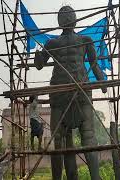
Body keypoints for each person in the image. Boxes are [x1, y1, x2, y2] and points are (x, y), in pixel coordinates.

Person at [34, 6, 107, 180]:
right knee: (85, 137)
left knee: (61, 141)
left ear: (59, 23)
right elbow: (94, 66)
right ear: (75, 20)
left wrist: (103, 83)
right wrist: (102, 82)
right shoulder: (82, 40)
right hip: (74, 90)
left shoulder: (54, 43)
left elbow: (38, 65)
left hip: (64, 91)